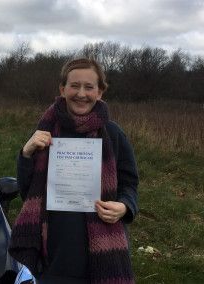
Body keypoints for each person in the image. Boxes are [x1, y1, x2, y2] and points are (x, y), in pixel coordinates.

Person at [9, 58, 139, 284]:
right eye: (74, 85)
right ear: (62, 89)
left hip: (102, 252)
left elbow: (129, 182)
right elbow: (27, 190)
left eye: (89, 87)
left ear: (100, 92)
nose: (81, 93)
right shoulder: (45, 130)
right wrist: (27, 153)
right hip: (54, 251)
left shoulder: (113, 134)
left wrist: (124, 206)